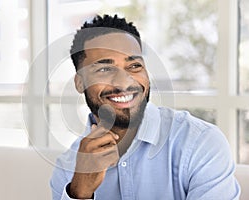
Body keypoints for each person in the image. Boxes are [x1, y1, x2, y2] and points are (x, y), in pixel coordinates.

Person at [50, 14, 240, 200]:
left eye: (134, 66)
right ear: (79, 83)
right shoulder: (68, 170)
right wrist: (79, 194)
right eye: (104, 69)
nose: (123, 83)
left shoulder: (201, 143)